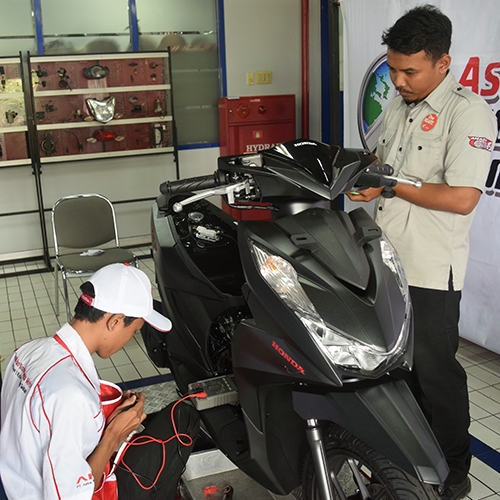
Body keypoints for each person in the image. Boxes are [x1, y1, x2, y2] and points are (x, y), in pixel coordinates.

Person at [347, 5, 497, 500]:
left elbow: (462, 197)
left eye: (409, 70)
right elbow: (382, 159)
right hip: (385, 259)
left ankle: (454, 471)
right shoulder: (398, 102)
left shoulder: (468, 112)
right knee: (395, 368)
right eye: (392, 68)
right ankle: (408, 458)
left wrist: (389, 183)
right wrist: (363, 174)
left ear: (443, 63)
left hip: (432, 270)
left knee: (436, 373)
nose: (398, 79)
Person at [0, 263, 196, 500]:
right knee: (184, 419)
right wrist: (114, 432)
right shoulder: (71, 395)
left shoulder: (26, 351)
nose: (130, 339)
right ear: (115, 321)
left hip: (12, 482)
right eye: (134, 331)